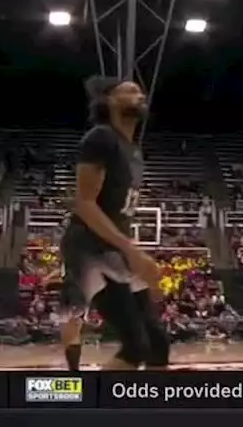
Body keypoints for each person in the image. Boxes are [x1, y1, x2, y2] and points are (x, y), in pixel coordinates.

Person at [58, 76, 168, 371]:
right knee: (136, 346)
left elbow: (119, 214)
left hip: (115, 247)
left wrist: (139, 264)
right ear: (109, 101)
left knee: (158, 343)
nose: (140, 95)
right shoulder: (100, 138)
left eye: (140, 91)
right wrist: (132, 252)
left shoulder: (133, 150)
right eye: (130, 91)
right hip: (88, 246)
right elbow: (84, 204)